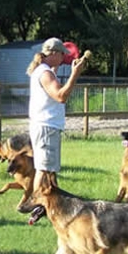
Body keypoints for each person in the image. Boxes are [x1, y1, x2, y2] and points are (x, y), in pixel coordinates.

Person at [26, 37, 86, 191]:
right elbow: (61, 96)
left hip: (43, 126)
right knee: (44, 169)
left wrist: (56, 70)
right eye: (61, 54)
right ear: (53, 53)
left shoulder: (42, 70)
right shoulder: (45, 74)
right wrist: (75, 74)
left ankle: (52, 204)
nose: (63, 57)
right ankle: (36, 206)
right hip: (47, 127)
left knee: (49, 170)